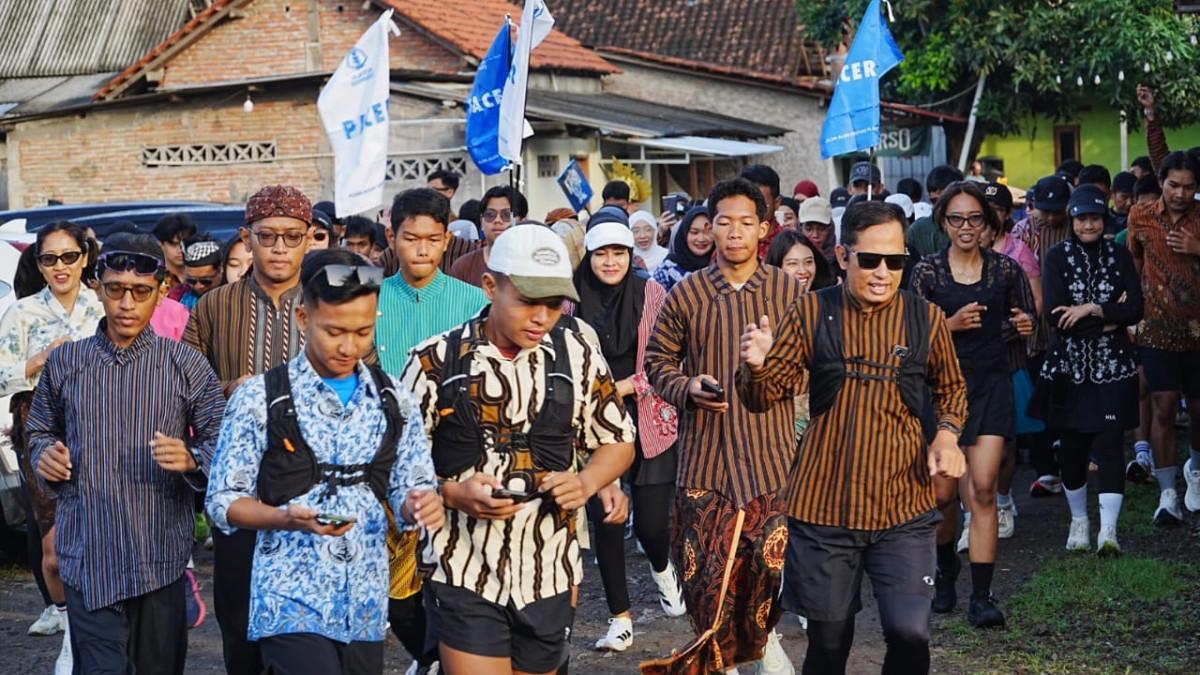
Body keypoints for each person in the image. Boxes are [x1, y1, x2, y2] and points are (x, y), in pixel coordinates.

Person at [737, 200, 969, 675]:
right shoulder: (812, 311)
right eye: (871, 260)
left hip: (903, 507)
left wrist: (946, 435)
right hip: (825, 509)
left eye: (896, 261)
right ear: (843, 257)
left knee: (910, 635)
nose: (884, 272)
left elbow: (952, 389)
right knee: (829, 641)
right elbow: (763, 397)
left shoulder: (924, 319)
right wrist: (756, 367)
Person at [400, 224, 635, 675]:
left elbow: (617, 438)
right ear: (490, 285)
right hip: (462, 567)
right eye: (527, 300)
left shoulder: (577, 353)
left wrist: (587, 481)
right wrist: (451, 494)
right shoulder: (434, 360)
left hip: (549, 568)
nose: (542, 317)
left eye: (552, 304)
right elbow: (399, 468)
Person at [206, 248, 441, 675]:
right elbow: (223, 501)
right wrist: (285, 517)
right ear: (303, 319)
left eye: (363, 331)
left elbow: (413, 483)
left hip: (365, 604)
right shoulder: (260, 398)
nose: (349, 346)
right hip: (287, 598)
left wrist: (419, 504)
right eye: (334, 331)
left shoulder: (394, 400)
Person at [29, 233, 225, 675]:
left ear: (160, 293)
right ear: (98, 286)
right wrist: (46, 455)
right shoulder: (66, 363)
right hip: (88, 552)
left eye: (141, 292)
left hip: (158, 555)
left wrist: (193, 458)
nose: (127, 304)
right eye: (116, 289)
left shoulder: (185, 364)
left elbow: (222, 435)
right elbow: (39, 429)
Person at [645, 178, 804, 674]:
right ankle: (721, 662)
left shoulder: (786, 291)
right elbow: (656, 361)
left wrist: (771, 371)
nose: (734, 233)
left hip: (771, 458)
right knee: (706, 581)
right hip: (705, 463)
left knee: (765, 575)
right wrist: (688, 387)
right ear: (709, 228)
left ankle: (764, 643)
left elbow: (808, 364)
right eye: (723, 222)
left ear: (763, 228)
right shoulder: (688, 292)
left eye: (745, 223)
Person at [185, 185, 313, 675]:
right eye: (268, 236)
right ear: (247, 237)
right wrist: (228, 387)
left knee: (304, 619)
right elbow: (186, 389)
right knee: (238, 617)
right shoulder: (215, 306)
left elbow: (361, 378)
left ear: (308, 241)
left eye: (292, 236)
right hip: (237, 481)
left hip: (310, 476)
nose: (280, 247)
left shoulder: (328, 302)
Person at [909, 182, 1036, 628]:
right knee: (942, 498)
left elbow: (1027, 320)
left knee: (983, 491)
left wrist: (1025, 323)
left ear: (989, 222)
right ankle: (946, 573)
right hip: (940, 394)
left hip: (990, 386)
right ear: (943, 222)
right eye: (957, 218)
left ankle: (982, 597)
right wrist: (950, 325)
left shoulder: (1005, 271)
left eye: (975, 218)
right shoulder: (927, 272)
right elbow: (909, 338)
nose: (966, 227)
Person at [374, 188, 489, 674]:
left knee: (454, 573)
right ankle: (429, 655)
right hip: (385, 458)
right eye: (410, 238)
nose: (421, 249)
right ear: (391, 237)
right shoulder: (370, 301)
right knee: (394, 583)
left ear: (448, 241)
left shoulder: (475, 301)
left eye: (432, 239)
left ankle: (445, 659)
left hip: (457, 457)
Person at [566, 222, 683, 652]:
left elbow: (664, 355)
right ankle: (620, 618)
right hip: (594, 422)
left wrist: (624, 387)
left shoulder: (651, 293)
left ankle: (662, 568)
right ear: (589, 256)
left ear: (630, 254)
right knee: (607, 522)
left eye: (618, 252)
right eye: (601, 253)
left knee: (652, 526)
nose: (610, 261)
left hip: (647, 416)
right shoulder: (570, 300)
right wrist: (598, 393)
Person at [0, 221, 103, 674]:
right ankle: (67, 624)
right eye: (49, 258)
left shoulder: (103, 305)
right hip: (40, 426)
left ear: (83, 258)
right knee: (55, 549)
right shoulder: (21, 313)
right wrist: (39, 360)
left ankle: (91, 632)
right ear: (38, 264)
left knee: (101, 536)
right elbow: (1, 374)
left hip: (102, 426)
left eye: (68, 256)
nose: (59, 267)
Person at [1030, 186, 1144, 556]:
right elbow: (1056, 316)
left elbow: (1137, 308)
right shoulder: (1056, 257)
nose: (1089, 224)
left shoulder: (1120, 255)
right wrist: (1111, 317)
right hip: (1069, 367)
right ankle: (1079, 520)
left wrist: (1093, 310)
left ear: (1104, 218)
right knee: (1073, 447)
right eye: (1082, 218)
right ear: (1072, 220)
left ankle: (1108, 532)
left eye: (1095, 217)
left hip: (1114, 368)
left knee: (1111, 443)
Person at [1126, 151, 1200, 524]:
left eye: (1189, 187)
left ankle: (1195, 470)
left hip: (1198, 329)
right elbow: (1134, 263)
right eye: (1174, 185)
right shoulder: (1140, 215)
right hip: (1155, 327)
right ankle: (1167, 494)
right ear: (1162, 182)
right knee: (1164, 408)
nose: (1180, 193)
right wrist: (1132, 312)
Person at [983, 182, 1044, 539]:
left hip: (1007, 354)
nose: (987, 217)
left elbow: (1035, 303)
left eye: (995, 208)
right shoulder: (955, 255)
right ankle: (976, 510)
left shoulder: (1017, 252)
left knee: (1005, 440)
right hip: (968, 360)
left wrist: (1006, 326)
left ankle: (1002, 500)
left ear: (1007, 214)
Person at [1013, 175, 1074, 498]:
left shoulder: (1075, 225)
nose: (1050, 217)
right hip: (1034, 331)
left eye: (1056, 210)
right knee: (1037, 401)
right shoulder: (1023, 231)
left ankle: (1071, 462)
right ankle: (1045, 470)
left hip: (1071, 326)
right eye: (1044, 210)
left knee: (1066, 399)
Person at [449, 186, 528, 287]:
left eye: (506, 215)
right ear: (481, 221)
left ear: (523, 221)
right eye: (490, 215)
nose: (497, 220)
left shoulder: (535, 264)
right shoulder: (463, 267)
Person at [906, 165, 965, 257]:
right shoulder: (918, 230)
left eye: (946, 200)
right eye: (935, 201)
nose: (940, 206)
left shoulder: (969, 227)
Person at [653, 205, 713, 294]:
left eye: (707, 232)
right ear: (684, 234)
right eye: (694, 232)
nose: (701, 239)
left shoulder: (723, 267)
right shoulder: (666, 272)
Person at [740, 164, 786, 259]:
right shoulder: (731, 244)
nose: (753, 210)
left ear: (777, 203)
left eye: (760, 203)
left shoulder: (789, 244)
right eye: (746, 203)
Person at [169, 235, 222, 311]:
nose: (198, 286)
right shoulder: (177, 296)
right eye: (191, 281)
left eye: (205, 281)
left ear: (220, 270)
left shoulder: (233, 296)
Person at [153, 214, 198, 290]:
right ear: (161, 244)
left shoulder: (201, 275)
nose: (180, 249)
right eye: (174, 244)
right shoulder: (154, 276)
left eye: (185, 243)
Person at [798, 197, 836, 265]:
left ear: (830, 229)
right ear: (800, 229)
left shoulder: (840, 262)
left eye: (821, 229)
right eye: (808, 229)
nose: (815, 235)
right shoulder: (790, 259)